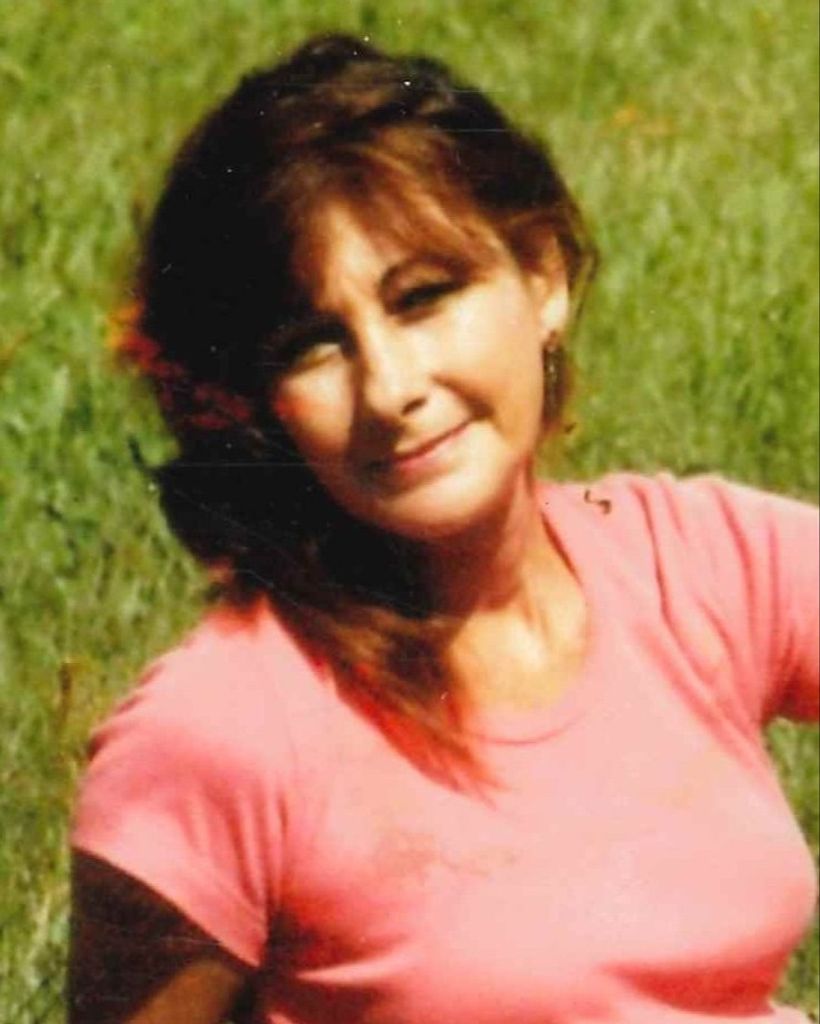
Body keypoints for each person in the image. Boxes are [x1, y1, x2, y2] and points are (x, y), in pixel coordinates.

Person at [68, 33, 819, 1024]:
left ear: (541, 276)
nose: (391, 388)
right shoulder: (222, 731)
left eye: (423, 299)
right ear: (255, 402)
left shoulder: (698, 562)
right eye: (313, 345)